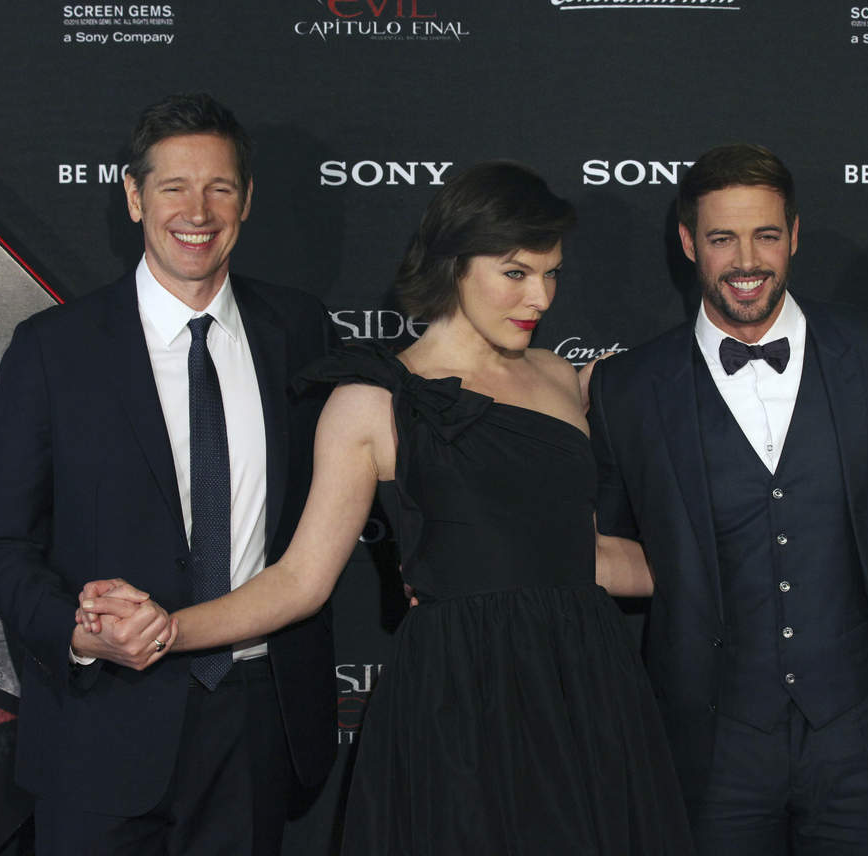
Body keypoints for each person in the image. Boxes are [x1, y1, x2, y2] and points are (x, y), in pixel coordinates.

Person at [80, 161, 694, 854]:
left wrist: (738, 564)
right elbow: (300, 580)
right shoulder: (372, 402)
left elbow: (593, 555)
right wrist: (168, 629)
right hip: (462, 694)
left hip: (588, 685)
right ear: (454, 264)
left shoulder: (560, 377)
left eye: (551, 274)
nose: (541, 297)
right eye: (516, 273)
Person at [0, 93, 336, 854]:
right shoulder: (53, 348)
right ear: (135, 197)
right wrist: (79, 634)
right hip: (98, 723)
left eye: (219, 188)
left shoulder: (300, 331)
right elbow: (0, 544)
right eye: (174, 187)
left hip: (254, 723)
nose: (197, 212)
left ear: (246, 200)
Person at [586, 143, 868, 855]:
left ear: (794, 235)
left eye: (766, 235)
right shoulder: (628, 388)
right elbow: (611, 549)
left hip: (861, 741)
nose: (747, 261)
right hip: (711, 749)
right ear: (689, 243)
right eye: (722, 238)